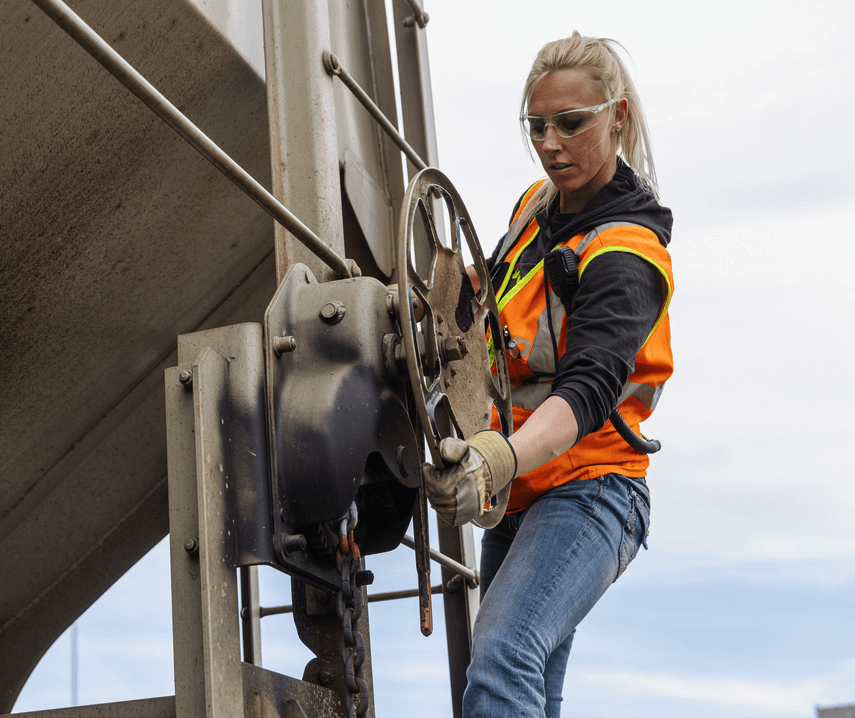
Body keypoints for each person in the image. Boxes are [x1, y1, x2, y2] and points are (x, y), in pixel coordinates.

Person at [421, 32, 674, 717]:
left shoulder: (625, 251)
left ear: (615, 117)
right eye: (537, 126)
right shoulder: (536, 207)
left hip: (594, 491)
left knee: (502, 659)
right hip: (523, 493)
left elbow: (587, 389)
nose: (550, 144)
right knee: (525, 683)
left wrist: (495, 458)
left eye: (570, 124)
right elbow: (492, 311)